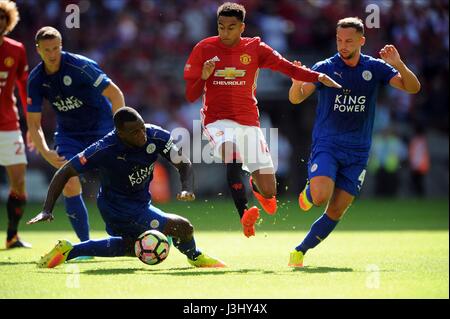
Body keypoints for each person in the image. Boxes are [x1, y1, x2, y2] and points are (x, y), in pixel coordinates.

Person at [184, 2, 341, 238]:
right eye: (221, 27)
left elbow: (286, 67)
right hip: (217, 121)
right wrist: (203, 78)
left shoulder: (255, 48)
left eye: (231, 27)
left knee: (270, 191)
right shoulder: (204, 49)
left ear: (242, 27)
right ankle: (244, 215)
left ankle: (259, 191)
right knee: (232, 156)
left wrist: (317, 77)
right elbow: (191, 95)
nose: (225, 33)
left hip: (248, 122)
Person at [288, 17, 421, 267]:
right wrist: (297, 83)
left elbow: (413, 88)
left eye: (349, 41)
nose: (343, 45)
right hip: (328, 144)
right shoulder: (324, 67)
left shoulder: (375, 68)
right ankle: (310, 190)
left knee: (336, 210)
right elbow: (296, 98)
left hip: (358, 152)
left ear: (361, 41)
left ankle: (300, 251)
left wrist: (399, 64)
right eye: (339, 40)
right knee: (319, 198)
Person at [27, 107, 225, 269]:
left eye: (142, 128)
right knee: (183, 227)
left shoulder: (155, 136)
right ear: (120, 134)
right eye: (135, 132)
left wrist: (186, 188)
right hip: (116, 208)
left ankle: (69, 250)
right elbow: (64, 171)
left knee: (133, 248)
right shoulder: (104, 149)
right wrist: (47, 209)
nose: (142, 134)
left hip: (141, 204)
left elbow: (184, 163)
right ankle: (195, 256)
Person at [27, 26, 125, 246]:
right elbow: (33, 123)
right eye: (46, 50)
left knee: (118, 181)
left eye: (55, 48)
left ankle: (137, 228)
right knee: (69, 182)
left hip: (101, 128)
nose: (52, 54)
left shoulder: (81, 66)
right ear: (38, 50)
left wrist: (119, 131)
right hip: (69, 134)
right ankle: (85, 244)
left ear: (61, 46)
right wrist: (45, 152)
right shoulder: (35, 79)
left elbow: (115, 94)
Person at [0, 0, 31, 249]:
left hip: (8, 124)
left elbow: (23, 87)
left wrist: (33, 123)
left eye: (2, 16)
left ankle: (12, 235)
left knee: (19, 181)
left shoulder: (16, 50)